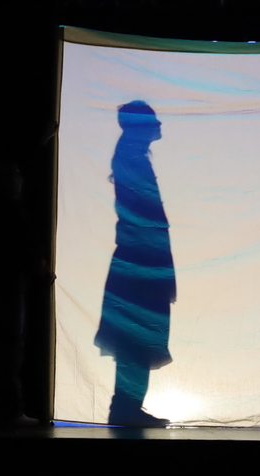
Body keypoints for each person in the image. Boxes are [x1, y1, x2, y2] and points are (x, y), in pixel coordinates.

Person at [94, 101, 176, 427]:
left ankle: (127, 409)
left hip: (140, 262)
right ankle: (126, 410)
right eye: (153, 120)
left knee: (135, 341)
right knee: (137, 340)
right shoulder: (133, 162)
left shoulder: (132, 161)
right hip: (141, 265)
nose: (159, 124)